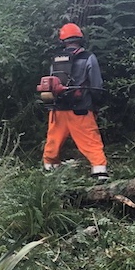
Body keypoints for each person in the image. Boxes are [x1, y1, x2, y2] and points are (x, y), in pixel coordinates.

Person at [41, 22, 108, 181]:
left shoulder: (56, 59)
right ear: (80, 38)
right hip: (81, 109)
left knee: (53, 143)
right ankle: (99, 173)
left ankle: (51, 173)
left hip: (57, 110)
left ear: (62, 40)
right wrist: (96, 104)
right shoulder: (88, 57)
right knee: (91, 142)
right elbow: (96, 84)